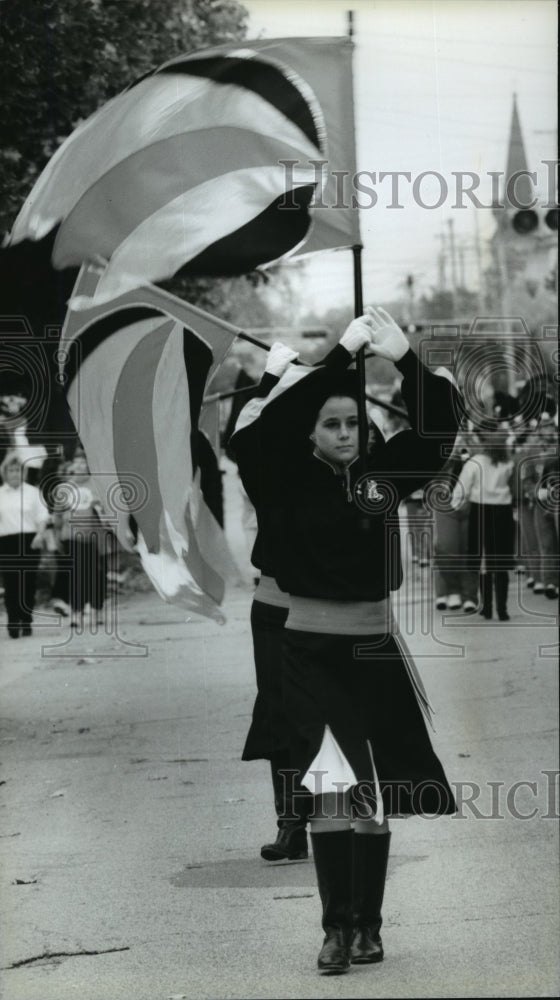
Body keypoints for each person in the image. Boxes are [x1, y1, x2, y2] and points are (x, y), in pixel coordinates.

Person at [248, 306, 461, 974]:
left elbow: (439, 427)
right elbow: (259, 434)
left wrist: (403, 359)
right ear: (308, 430)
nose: (344, 433)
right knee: (329, 786)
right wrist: (337, 355)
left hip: (373, 650)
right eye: (330, 423)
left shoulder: (381, 477)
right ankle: (335, 930)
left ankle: (368, 929)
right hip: (310, 651)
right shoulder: (278, 476)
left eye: (351, 422)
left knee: (371, 792)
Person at [452, 430, 514, 621]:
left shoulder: (475, 461)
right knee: (502, 562)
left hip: (481, 510)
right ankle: (502, 609)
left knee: (484, 561)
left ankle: (487, 607)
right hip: (503, 511)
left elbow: (462, 486)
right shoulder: (508, 462)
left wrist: (456, 503)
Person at [53, 453, 108, 628]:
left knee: (96, 575)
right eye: (76, 462)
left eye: (83, 463)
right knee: (76, 575)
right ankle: (76, 614)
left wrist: (100, 510)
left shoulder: (97, 486)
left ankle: (97, 609)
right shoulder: (64, 488)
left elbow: (107, 514)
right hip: (72, 537)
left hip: (95, 538)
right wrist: (56, 537)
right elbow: (57, 516)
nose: (79, 466)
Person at [0, 451, 49, 637]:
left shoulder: (33, 492)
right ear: (5, 472)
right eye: (11, 470)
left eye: (18, 470)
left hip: (29, 540)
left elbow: (42, 516)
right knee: (11, 582)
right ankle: (13, 621)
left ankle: (26, 619)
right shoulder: (0, 494)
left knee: (28, 581)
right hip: (6, 541)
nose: (14, 474)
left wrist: (40, 534)